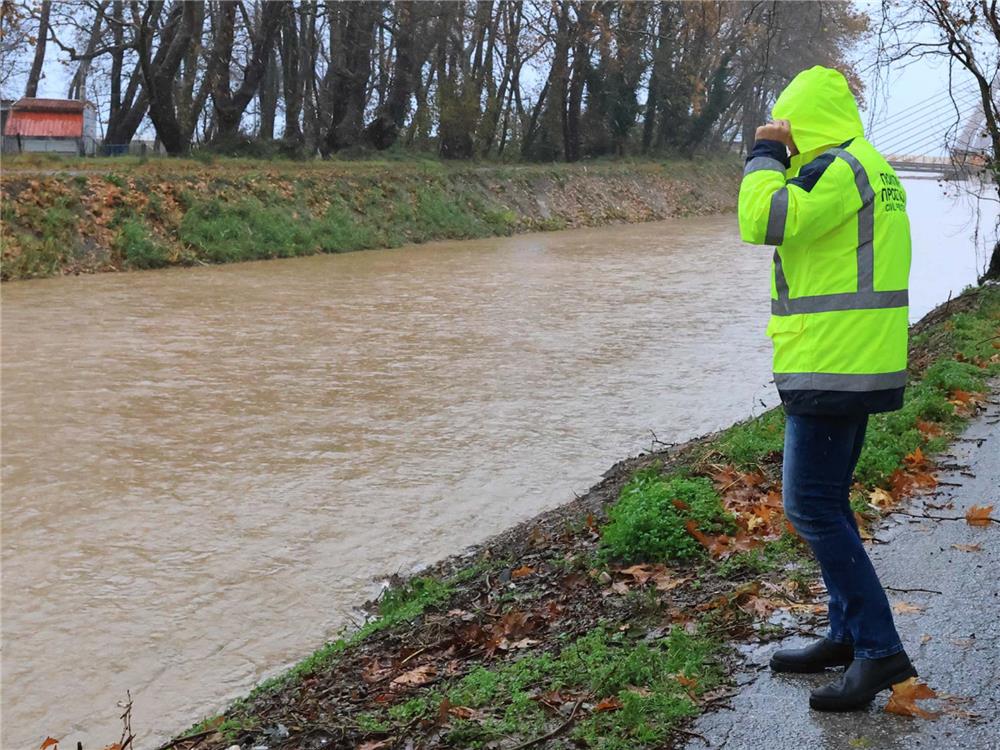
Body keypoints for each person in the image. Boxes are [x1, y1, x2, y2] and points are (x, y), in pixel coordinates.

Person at [738, 66, 916, 711]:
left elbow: (763, 219)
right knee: (828, 504)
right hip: (851, 360)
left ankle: (878, 650)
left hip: (832, 364)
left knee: (811, 507)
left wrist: (763, 153)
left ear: (800, 122)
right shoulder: (867, 165)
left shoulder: (835, 167)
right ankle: (846, 637)